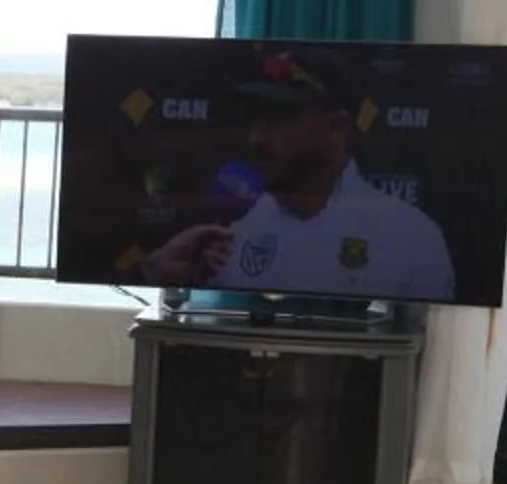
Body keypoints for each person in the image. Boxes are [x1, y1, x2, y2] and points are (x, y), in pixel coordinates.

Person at [137, 48, 458, 300]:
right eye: (255, 119)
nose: (256, 138)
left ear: (338, 127)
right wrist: (159, 279)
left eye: (279, 119)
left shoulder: (413, 238)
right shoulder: (225, 231)